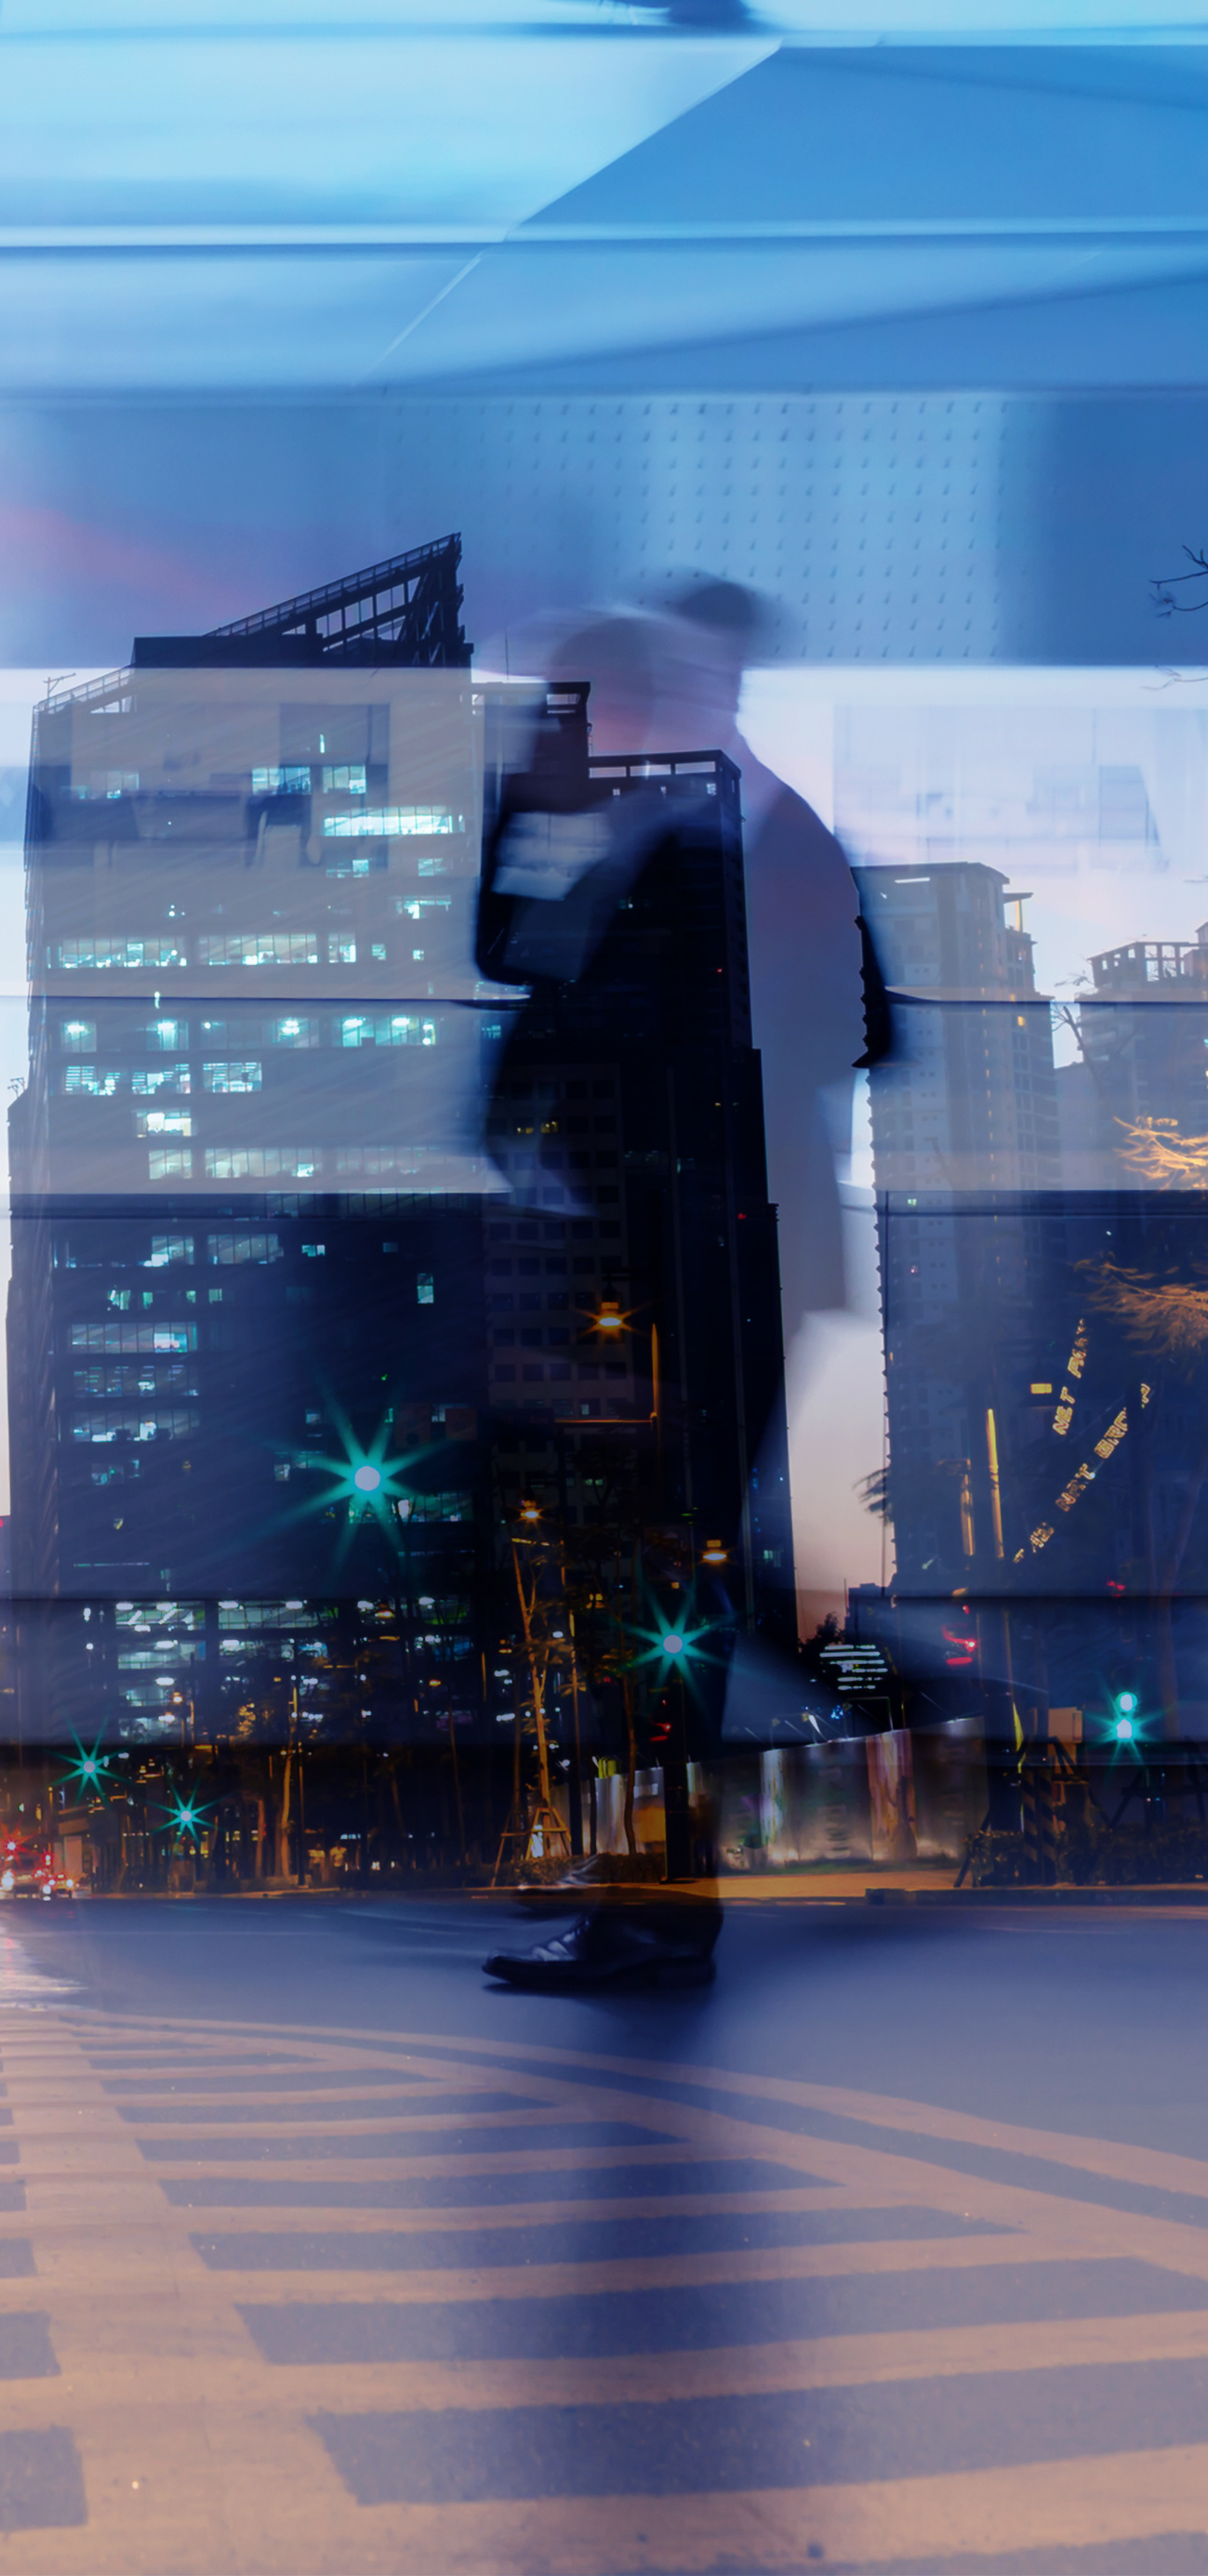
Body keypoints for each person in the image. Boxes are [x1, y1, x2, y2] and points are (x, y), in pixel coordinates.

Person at [478, 603, 895, 1994]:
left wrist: (671, 1078)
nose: (568, 736)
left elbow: (857, 1026)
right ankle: (658, 1887)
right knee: (670, 1586)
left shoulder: (754, 839)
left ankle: (654, 1911)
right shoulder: (656, 841)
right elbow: (506, 948)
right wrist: (534, 803)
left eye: (578, 708)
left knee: (661, 1595)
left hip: (713, 1266)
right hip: (657, 1268)